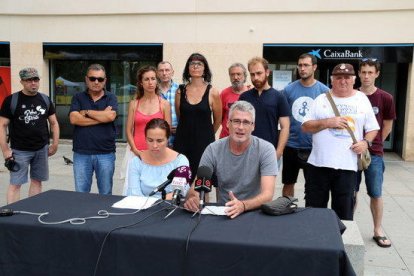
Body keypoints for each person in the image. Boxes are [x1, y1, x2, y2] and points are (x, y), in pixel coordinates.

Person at [302, 63, 379, 220]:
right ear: (332, 80)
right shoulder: (321, 99)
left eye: (347, 77)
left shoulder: (361, 99)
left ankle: (340, 243)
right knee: (314, 211)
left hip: (347, 167)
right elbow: (305, 126)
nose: (343, 81)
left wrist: (365, 143)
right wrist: (328, 122)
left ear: (353, 80)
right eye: (338, 78)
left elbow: (373, 128)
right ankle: (315, 242)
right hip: (318, 165)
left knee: (343, 213)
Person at [184, 101, 278, 219]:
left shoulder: (266, 149)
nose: (240, 127)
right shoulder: (213, 149)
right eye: (236, 121)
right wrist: (193, 197)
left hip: (256, 212)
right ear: (228, 123)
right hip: (224, 211)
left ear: (253, 126)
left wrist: (243, 205)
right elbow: (197, 185)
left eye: (246, 122)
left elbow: (268, 195)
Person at [0, 67, 59, 204]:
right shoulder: (12, 100)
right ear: (22, 82)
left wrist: (55, 144)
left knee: (37, 181)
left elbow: (54, 123)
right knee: (15, 184)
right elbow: (2, 126)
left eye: (36, 79)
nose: (33, 83)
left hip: (41, 149)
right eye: (29, 80)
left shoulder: (45, 99)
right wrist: (5, 150)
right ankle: (12, 216)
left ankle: (32, 213)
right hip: (19, 151)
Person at [356, 58, 395, 248]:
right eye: (363, 72)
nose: (366, 76)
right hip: (352, 152)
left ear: (377, 74)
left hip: (375, 153)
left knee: (375, 193)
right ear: (358, 73)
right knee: (350, 192)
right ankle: (348, 226)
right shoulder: (353, 95)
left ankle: (377, 230)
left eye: (370, 72)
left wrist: (373, 142)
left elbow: (387, 125)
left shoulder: (385, 98)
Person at [282, 53, 329, 197]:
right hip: (291, 145)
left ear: (314, 67)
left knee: (313, 186)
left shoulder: (324, 92)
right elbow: (283, 117)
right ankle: (286, 210)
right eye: (300, 65)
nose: (302, 68)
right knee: (288, 183)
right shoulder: (288, 90)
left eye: (306, 65)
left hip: (313, 146)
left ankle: (310, 215)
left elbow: (328, 119)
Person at [69, 64, 118, 195]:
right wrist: (101, 117)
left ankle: (105, 216)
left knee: (106, 193)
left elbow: (110, 116)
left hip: (105, 153)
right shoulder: (78, 97)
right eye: (92, 78)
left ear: (105, 80)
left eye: (100, 79)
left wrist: (86, 112)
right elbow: (74, 119)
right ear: (86, 79)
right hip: (81, 153)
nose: (96, 82)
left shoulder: (111, 98)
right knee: (81, 194)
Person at [174, 53, 222, 180]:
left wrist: (207, 134)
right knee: (181, 179)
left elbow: (218, 119)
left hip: (204, 143)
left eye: (199, 64)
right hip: (182, 141)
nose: (195, 66)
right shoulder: (180, 91)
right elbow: (180, 115)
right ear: (187, 68)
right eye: (192, 64)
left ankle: (203, 201)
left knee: (203, 182)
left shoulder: (213, 92)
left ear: (204, 68)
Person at [239, 57, 290, 163]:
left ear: (267, 72)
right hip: (246, 152)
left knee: (267, 180)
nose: (256, 77)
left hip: (270, 152)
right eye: (252, 74)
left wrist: (279, 152)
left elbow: (285, 127)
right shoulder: (244, 97)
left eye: (259, 73)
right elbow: (238, 123)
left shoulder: (279, 96)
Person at [125, 118, 189, 198]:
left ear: (168, 139)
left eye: (159, 141)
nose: (154, 145)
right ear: (145, 138)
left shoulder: (180, 161)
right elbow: (134, 194)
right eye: (150, 140)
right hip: (141, 207)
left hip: (170, 207)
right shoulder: (136, 161)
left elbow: (180, 192)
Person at [126, 65, 171, 156]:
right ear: (141, 83)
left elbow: (167, 132)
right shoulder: (134, 104)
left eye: (153, 79)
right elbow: (128, 130)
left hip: (157, 153)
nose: (150, 82)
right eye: (146, 79)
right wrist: (135, 150)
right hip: (135, 152)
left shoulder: (164, 104)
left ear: (157, 81)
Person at [219, 63, 251, 138]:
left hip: (246, 139)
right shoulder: (224, 94)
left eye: (238, 74)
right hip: (226, 138)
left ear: (244, 76)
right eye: (232, 74)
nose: (235, 77)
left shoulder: (251, 93)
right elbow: (220, 118)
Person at [157, 61, 179, 146]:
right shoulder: (153, 91)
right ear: (157, 73)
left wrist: (180, 128)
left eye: (167, 70)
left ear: (172, 72)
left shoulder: (181, 90)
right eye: (161, 70)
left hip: (177, 136)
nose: (164, 73)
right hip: (159, 136)